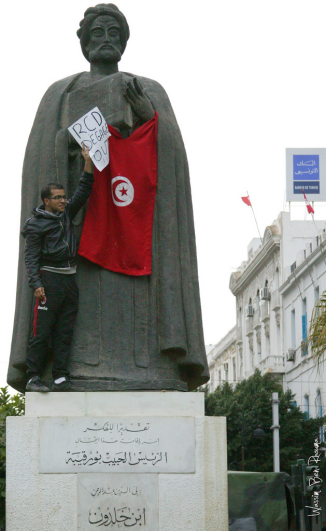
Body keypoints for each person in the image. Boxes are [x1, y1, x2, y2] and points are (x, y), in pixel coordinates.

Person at [8, 3, 209, 393]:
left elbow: (172, 158)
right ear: (83, 43)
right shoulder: (60, 93)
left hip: (132, 219)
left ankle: (151, 370)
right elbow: (39, 163)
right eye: (97, 33)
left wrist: (148, 116)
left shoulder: (147, 89)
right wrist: (68, 140)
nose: (104, 40)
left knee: (132, 298)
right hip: (78, 221)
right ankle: (66, 370)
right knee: (76, 308)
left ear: (124, 42)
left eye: (113, 34)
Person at [23, 145, 94, 392]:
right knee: (42, 332)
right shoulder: (35, 225)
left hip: (70, 280)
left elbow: (84, 191)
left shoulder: (65, 214)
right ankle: (33, 377)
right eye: (58, 197)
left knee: (65, 331)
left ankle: (61, 377)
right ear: (46, 201)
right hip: (48, 280)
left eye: (64, 197)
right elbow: (30, 257)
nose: (64, 200)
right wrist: (37, 284)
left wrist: (88, 161)